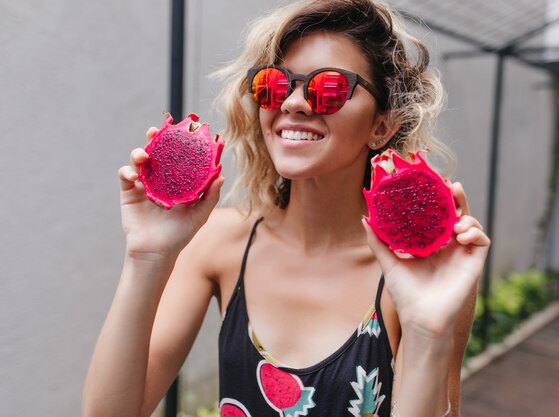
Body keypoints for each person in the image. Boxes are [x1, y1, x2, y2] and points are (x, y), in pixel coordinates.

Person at [82, 1, 490, 416]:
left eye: (329, 88)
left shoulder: (417, 274)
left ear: (381, 125)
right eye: (274, 86)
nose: (293, 103)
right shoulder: (219, 243)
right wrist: (145, 256)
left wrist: (427, 331)